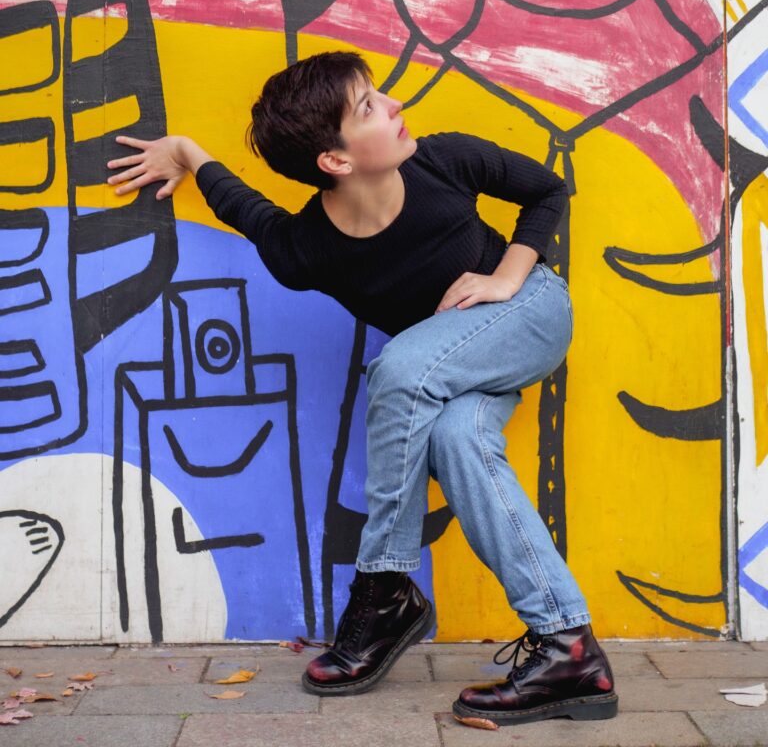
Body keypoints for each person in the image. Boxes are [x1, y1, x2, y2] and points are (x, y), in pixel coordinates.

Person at [106, 49, 617, 726]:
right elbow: (246, 208)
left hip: (531, 314)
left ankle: (382, 591)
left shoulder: (445, 161)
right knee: (459, 440)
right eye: (372, 107)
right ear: (335, 161)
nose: (396, 106)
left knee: (397, 367)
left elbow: (547, 190)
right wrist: (190, 155)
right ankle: (568, 648)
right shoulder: (305, 249)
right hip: (451, 367)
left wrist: (508, 278)